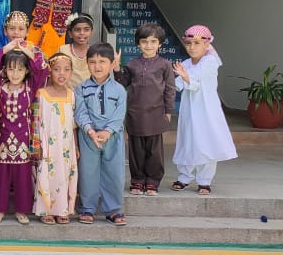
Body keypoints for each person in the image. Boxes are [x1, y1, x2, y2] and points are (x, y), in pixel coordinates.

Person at [171, 25, 237, 195]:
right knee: (187, 140)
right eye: (189, 43)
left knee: (207, 143)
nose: (192, 47)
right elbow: (177, 85)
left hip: (207, 109)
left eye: (197, 43)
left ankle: (204, 181)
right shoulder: (185, 63)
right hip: (189, 110)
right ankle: (184, 177)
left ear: (207, 44)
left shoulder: (210, 62)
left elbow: (194, 82)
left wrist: (184, 77)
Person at [114, 23, 176, 196]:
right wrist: (117, 69)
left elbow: (170, 89)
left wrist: (168, 111)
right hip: (135, 113)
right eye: (144, 41)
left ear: (160, 44)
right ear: (138, 43)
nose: (149, 45)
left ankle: (153, 181)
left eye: (153, 41)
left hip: (156, 113)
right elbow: (122, 84)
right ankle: (138, 180)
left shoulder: (165, 64)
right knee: (136, 150)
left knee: (154, 151)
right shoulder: (132, 64)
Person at [0, 49, 49, 225]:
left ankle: (21, 210)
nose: (15, 73)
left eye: (19, 69)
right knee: (2, 177)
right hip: (2, 138)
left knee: (23, 177)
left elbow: (42, 69)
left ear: (26, 71)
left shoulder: (30, 87)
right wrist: (8, 46)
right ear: (4, 70)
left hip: (24, 139)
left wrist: (25, 49)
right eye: (10, 69)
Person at [75, 43, 127, 226]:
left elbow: (120, 114)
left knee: (114, 173)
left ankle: (113, 210)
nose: (97, 66)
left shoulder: (119, 90)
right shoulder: (80, 89)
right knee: (88, 173)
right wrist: (90, 130)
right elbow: (80, 113)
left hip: (113, 137)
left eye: (102, 62)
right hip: (88, 137)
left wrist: (107, 131)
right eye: (92, 62)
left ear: (112, 64)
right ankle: (87, 208)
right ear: (86, 64)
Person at [32, 53, 79, 224]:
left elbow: (73, 124)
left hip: (66, 145)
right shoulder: (42, 94)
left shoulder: (71, 94)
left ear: (71, 72)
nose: (62, 74)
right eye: (57, 69)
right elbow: (35, 121)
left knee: (64, 175)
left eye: (66, 70)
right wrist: (35, 145)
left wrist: (76, 145)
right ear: (50, 71)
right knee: (47, 174)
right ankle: (46, 209)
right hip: (47, 143)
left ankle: (62, 209)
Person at [57, 13, 94, 87]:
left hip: (89, 95)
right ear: (70, 33)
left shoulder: (94, 52)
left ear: (91, 33)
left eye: (86, 30)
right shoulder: (63, 50)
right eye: (77, 30)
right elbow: (55, 74)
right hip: (66, 95)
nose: (82, 33)